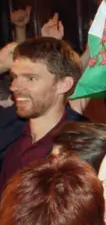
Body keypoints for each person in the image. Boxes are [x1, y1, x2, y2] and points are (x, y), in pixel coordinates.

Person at [0, 37, 83, 194]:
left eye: (31, 78)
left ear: (63, 84)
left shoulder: (80, 147)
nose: (14, 87)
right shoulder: (8, 125)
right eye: (15, 77)